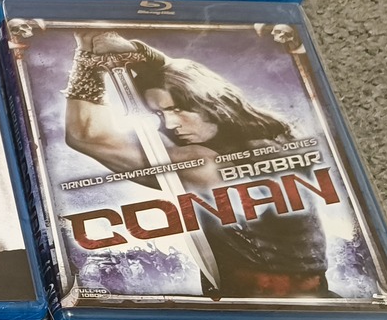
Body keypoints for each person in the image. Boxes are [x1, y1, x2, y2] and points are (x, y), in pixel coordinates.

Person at [61, 31, 330, 297]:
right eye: (159, 114)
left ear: (209, 103)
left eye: (177, 109)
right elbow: (188, 78)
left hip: (256, 300)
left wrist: (86, 57)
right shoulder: (281, 135)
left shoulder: (200, 164)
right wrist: (141, 54)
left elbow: (86, 135)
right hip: (315, 293)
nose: (169, 124)